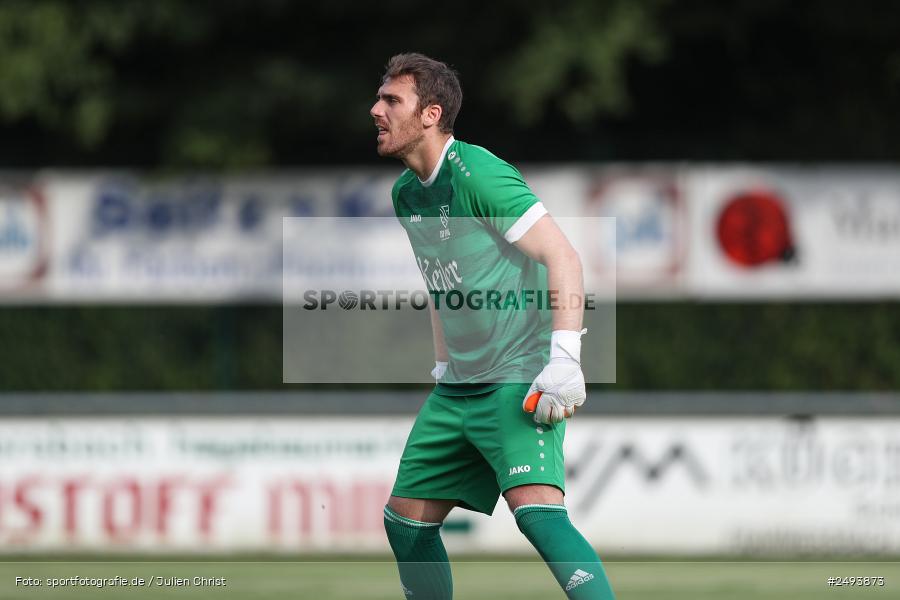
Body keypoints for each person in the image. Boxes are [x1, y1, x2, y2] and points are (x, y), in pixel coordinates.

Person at [371, 52, 615, 599]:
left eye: (392, 100)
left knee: (538, 517)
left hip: (517, 377)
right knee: (404, 523)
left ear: (431, 114)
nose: (376, 110)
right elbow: (441, 283)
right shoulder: (406, 194)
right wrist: (441, 363)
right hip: (457, 387)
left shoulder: (479, 172)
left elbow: (564, 258)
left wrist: (565, 358)